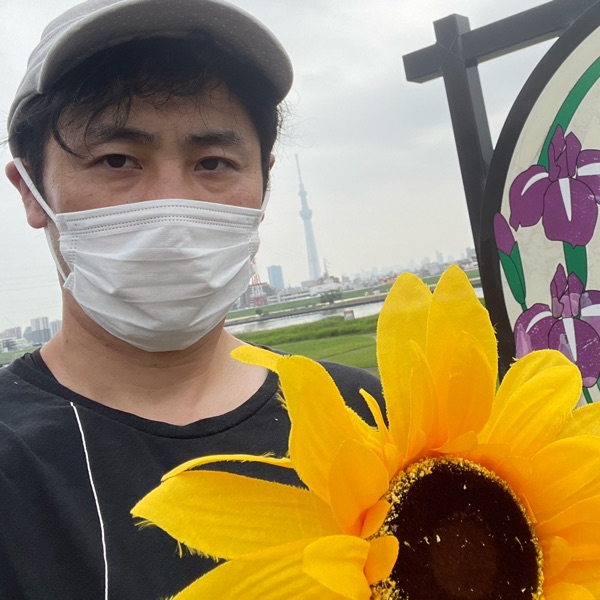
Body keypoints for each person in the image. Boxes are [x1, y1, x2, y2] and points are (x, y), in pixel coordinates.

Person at [0, 0, 383, 597]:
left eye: (213, 163)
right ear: (30, 189)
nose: (171, 209)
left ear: (264, 182)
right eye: (117, 160)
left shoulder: (371, 418)